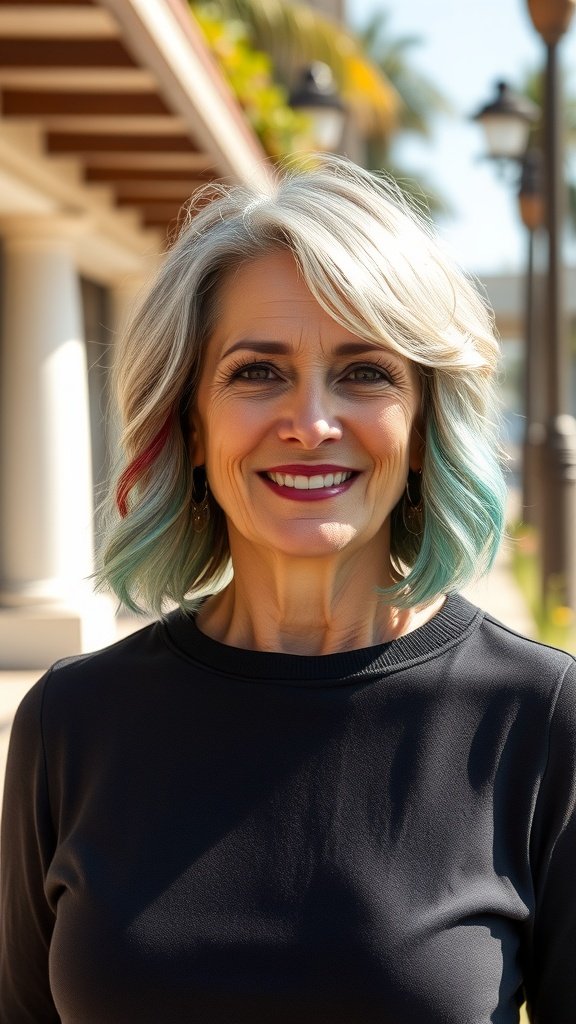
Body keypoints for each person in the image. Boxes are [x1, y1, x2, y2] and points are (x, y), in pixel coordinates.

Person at [1, 156, 575, 1024]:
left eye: (365, 372)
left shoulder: (538, 717)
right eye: (256, 372)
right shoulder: (70, 721)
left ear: (423, 428)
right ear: (190, 424)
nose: (310, 423)